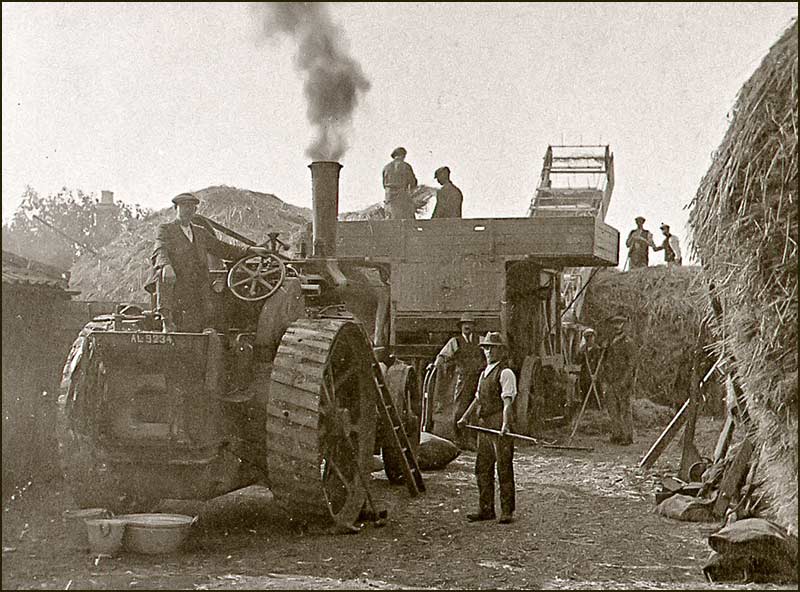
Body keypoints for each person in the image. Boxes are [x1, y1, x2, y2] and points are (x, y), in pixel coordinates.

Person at [145, 192, 270, 332]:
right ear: (176, 208)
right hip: (175, 281)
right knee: (164, 274)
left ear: (195, 210)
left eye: (192, 207)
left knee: (207, 311)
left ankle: (208, 328)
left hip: (196, 283)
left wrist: (251, 250)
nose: (188, 210)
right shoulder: (166, 229)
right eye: (184, 206)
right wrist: (166, 265)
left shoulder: (200, 232)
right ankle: (166, 321)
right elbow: (160, 249)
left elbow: (224, 249)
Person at [457, 331, 517, 524]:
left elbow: (507, 402)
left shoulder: (505, 373)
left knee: (504, 468)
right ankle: (486, 509)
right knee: (482, 468)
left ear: (500, 351)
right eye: (486, 348)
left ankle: (506, 511)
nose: (489, 352)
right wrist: (465, 418)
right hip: (483, 425)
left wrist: (506, 425)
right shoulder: (484, 373)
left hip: (499, 423)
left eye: (493, 348)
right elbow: (477, 399)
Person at [434, 313, 485, 449]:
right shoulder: (455, 341)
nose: (467, 326)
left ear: (473, 326)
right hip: (462, 378)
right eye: (465, 324)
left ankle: (473, 439)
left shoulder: (480, 340)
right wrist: (436, 364)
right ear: (461, 326)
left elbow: (489, 352)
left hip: (478, 377)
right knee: (460, 408)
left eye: (470, 324)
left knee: (477, 408)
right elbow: (443, 355)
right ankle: (459, 439)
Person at [600, 315, 635, 445]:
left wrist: (625, 380)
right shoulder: (608, 342)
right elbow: (604, 360)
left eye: (619, 323)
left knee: (624, 408)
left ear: (623, 325)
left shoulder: (628, 343)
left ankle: (627, 436)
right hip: (610, 379)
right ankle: (617, 434)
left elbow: (631, 364)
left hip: (622, 379)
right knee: (612, 408)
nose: (616, 326)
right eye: (614, 323)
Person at [382, 147, 418, 219]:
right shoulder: (406, 166)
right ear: (403, 155)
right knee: (408, 221)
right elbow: (413, 182)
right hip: (402, 198)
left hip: (389, 199)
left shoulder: (386, 168)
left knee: (391, 221)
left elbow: (384, 184)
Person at [578, 327, 603, 410]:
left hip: (595, 375)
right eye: (587, 338)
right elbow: (577, 361)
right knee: (585, 392)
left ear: (594, 338)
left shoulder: (597, 350)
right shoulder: (582, 350)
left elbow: (600, 364)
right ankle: (586, 408)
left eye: (591, 337)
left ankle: (598, 408)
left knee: (596, 392)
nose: (590, 339)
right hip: (585, 376)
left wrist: (596, 375)